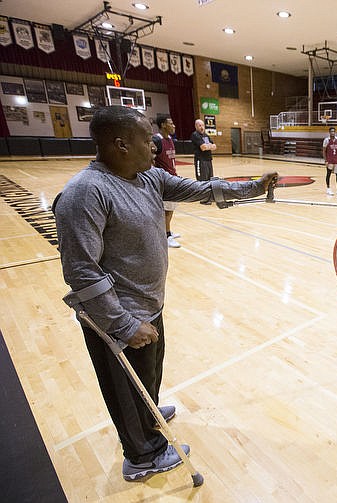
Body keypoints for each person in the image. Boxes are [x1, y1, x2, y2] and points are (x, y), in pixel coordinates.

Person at [53, 106, 278, 481]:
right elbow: (81, 272)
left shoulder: (149, 178)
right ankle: (141, 457)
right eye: (147, 140)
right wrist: (123, 324)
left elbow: (204, 189)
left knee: (148, 376)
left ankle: (149, 413)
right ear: (121, 144)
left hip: (148, 304)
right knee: (126, 388)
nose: (156, 146)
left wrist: (256, 186)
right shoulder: (85, 193)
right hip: (116, 316)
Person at [152, 115, 181, 248]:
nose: (174, 125)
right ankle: (166, 235)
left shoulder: (169, 139)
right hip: (163, 180)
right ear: (163, 125)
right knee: (166, 210)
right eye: (171, 123)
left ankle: (167, 230)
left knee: (170, 208)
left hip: (172, 177)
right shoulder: (156, 140)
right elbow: (150, 160)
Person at [191, 118, 216, 184]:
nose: (202, 127)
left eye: (203, 125)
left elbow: (214, 146)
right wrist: (209, 146)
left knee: (210, 179)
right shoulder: (195, 135)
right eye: (200, 126)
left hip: (208, 160)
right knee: (202, 181)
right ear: (196, 126)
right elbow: (203, 147)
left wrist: (208, 146)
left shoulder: (206, 135)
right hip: (200, 160)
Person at [323, 127, 337, 195]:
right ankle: (328, 189)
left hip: (336, 160)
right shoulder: (326, 140)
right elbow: (324, 151)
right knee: (328, 174)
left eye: (333, 131)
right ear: (329, 132)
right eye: (331, 131)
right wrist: (326, 160)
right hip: (329, 160)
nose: (332, 132)